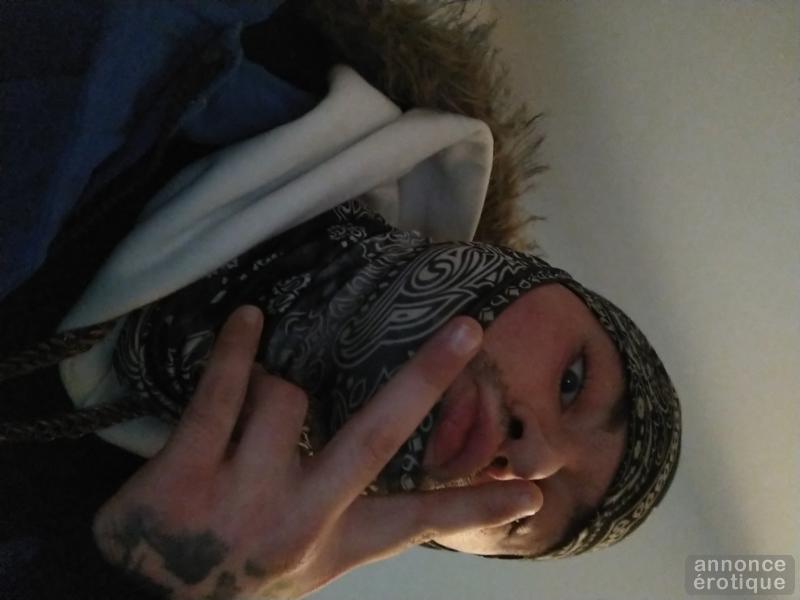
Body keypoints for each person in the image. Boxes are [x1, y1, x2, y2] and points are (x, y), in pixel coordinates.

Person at [0, 1, 680, 598]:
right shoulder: (230, 44)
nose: (529, 464)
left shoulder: (63, 537)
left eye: (518, 514)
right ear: (527, 267)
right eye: (572, 381)